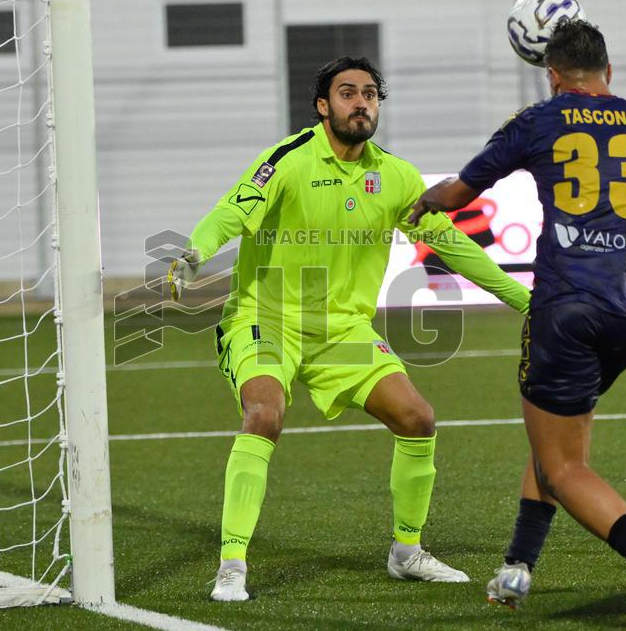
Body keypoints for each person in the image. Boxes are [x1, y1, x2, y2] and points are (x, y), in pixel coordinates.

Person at [408, 19, 626, 630]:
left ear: (554, 76)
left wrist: (423, 201)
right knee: (557, 443)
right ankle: (517, 567)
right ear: (609, 73)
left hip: (565, 307)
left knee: (564, 467)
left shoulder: (539, 121)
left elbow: (461, 191)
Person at [167, 56, 532, 602]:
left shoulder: (397, 177)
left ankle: (406, 552)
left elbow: (451, 245)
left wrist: (528, 302)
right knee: (264, 415)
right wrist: (196, 251)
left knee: (417, 418)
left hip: (343, 331)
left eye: (369, 94)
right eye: (347, 93)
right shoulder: (288, 160)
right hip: (266, 320)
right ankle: (232, 564)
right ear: (323, 105)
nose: (360, 103)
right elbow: (232, 211)